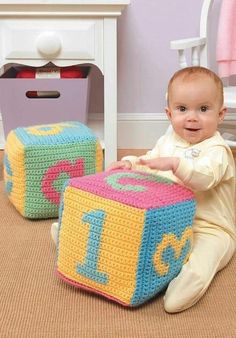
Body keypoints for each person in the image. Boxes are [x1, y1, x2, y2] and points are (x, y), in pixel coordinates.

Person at [107, 66, 236, 313]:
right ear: (169, 113)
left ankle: (184, 287)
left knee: (201, 261)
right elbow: (150, 162)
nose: (192, 117)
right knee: (128, 231)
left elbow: (204, 178)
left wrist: (176, 165)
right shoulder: (168, 141)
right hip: (170, 220)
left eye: (204, 109)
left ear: (221, 114)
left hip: (210, 228)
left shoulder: (218, 151)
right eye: (182, 109)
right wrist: (130, 163)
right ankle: (82, 238)